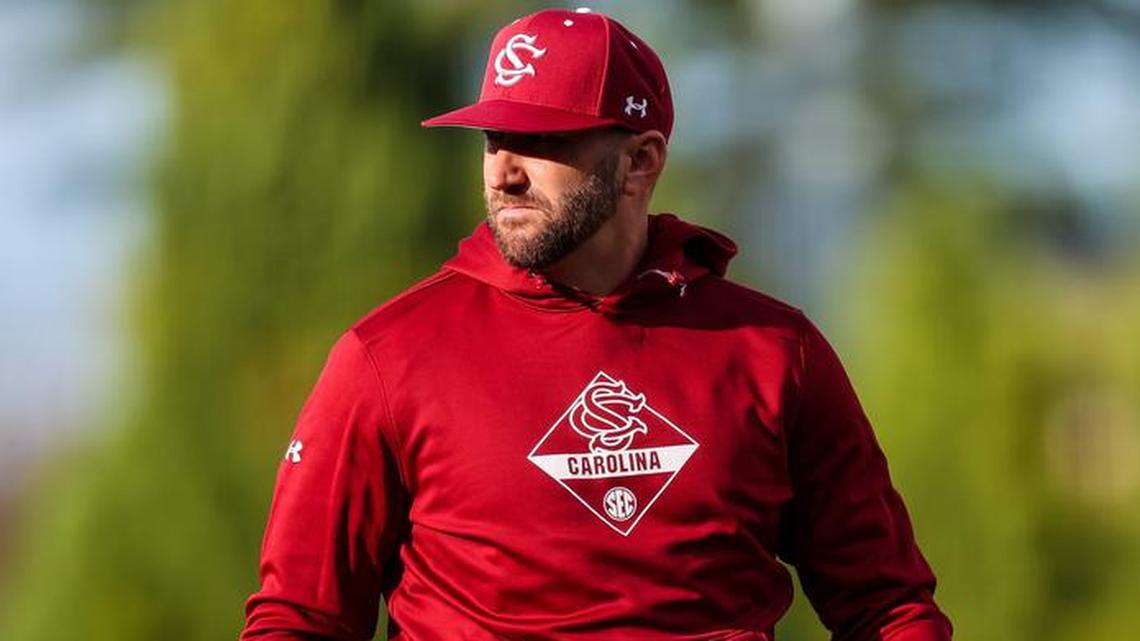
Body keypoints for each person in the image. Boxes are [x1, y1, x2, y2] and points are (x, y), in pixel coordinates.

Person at [239, 8, 953, 641]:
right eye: (494, 137)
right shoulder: (386, 358)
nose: (504, 172)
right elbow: (300, 619)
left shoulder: (773, 353)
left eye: (543, 140)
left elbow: (885, 606)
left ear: (641, 162)